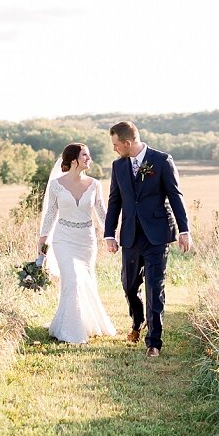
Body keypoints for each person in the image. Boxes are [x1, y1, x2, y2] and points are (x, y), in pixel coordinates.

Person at [102, 121, 191, 357]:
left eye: (115, 145)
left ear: (127, 143)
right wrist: (109, 233)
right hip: (130, 236)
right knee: (129, 286)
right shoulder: (118, 166)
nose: (114, 149)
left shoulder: (162, 161)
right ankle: (138, 319)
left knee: (154, 286)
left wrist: (184, 230)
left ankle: (154, 342)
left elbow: (175, 196)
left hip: (157, 235)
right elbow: (114, 201)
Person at [36, 142, 117, 344]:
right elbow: (50, 213)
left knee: (86, 280)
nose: (89, 159)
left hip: (86, 240)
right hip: (63, 239)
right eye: (85, 156)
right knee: (71, 279)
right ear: (73, 160)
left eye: (88, 156)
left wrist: (111, 235)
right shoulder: (56, 185)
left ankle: (86, 323)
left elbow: (101, 211)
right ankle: (70, 331)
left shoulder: (95, 184)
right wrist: (43, 238)